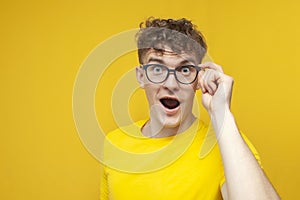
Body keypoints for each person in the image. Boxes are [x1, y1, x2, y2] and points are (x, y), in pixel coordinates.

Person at [100, 17, 280, 200]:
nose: (171, 84)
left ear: (198, 80)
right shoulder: (114, 144)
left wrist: (222, 113)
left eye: (184, 70)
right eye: (157, 69)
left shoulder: (226, 145)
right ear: (141, 76)